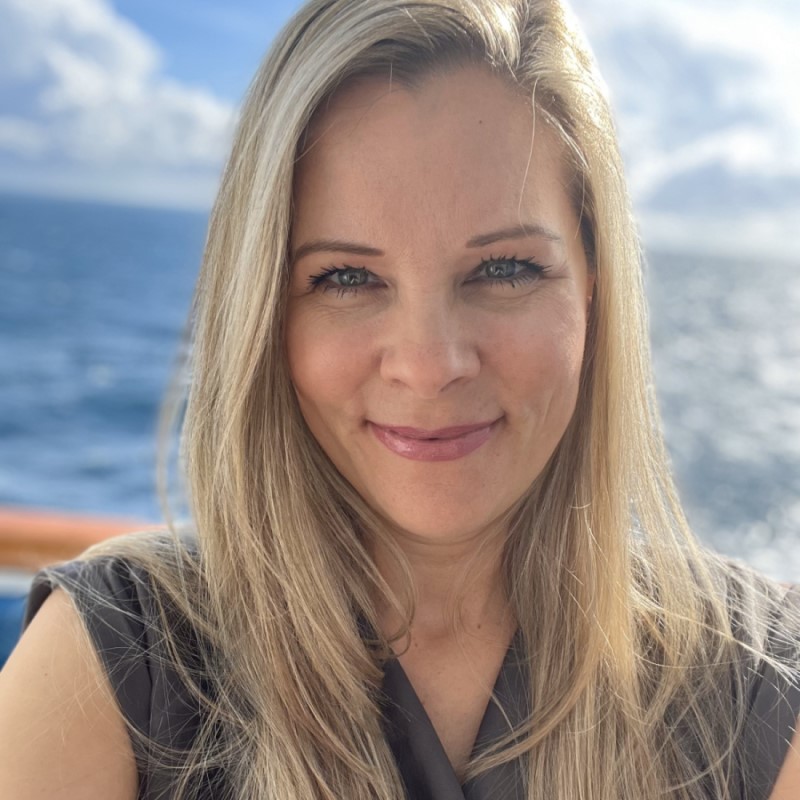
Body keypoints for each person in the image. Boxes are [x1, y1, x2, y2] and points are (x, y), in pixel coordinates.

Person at [0, 0, 798, 797]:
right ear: (264, 310)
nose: (429, 365)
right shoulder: (113, 671)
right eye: (346, 278)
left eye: (505, 269)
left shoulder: (763, 692)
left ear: (592, 288)